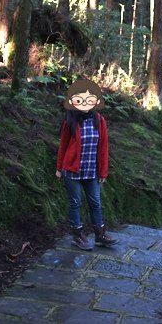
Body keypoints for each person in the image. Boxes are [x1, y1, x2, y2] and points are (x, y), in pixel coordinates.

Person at [55, 78, 118, 250]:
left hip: (91, 171)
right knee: (75, 203)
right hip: (71, 171)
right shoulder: (70, 120)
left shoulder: (99, 120)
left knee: (95, 202)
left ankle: (100, 234)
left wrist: (103, 172)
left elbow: (104, 147)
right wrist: (59, 168)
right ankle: (78, 235)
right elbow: (63, 146)